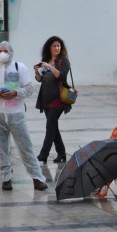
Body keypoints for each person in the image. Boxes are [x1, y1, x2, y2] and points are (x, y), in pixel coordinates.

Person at [0, 41, 48, 191]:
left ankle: (37, 178)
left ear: (11, 52)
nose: (2, 53)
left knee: (25, 147)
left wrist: (15, 93)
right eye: (0, 51)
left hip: (16, 114)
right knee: (0, 148)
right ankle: (5, 178)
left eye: (5, 51)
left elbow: (29, 88)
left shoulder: (19, 67)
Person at [34, 35, 71, 163]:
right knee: (53, 127)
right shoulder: (46, 59)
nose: (57, 48)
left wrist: (49, 67)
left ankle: (43, 154)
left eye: (59, 46)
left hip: (59, 98)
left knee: (50, 126)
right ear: (49, 48)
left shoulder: (63, 61)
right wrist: (37, 72)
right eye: (54, 46)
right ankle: (61, 154)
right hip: (45, 99)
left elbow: (61, 76)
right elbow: (40, 79)